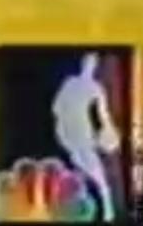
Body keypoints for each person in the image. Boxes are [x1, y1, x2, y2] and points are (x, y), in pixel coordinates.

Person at [52, 53, 120, 221]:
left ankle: (105, 210)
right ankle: (105, 210)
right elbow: (57, 107)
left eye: (93, 63)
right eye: (89, 63)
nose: (90, 66)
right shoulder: (73, 83)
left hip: (80, 133)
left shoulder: (93, 88)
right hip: (73, 133)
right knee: (87, 170)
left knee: (85, 169)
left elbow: (102, 115)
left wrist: (106, 133)